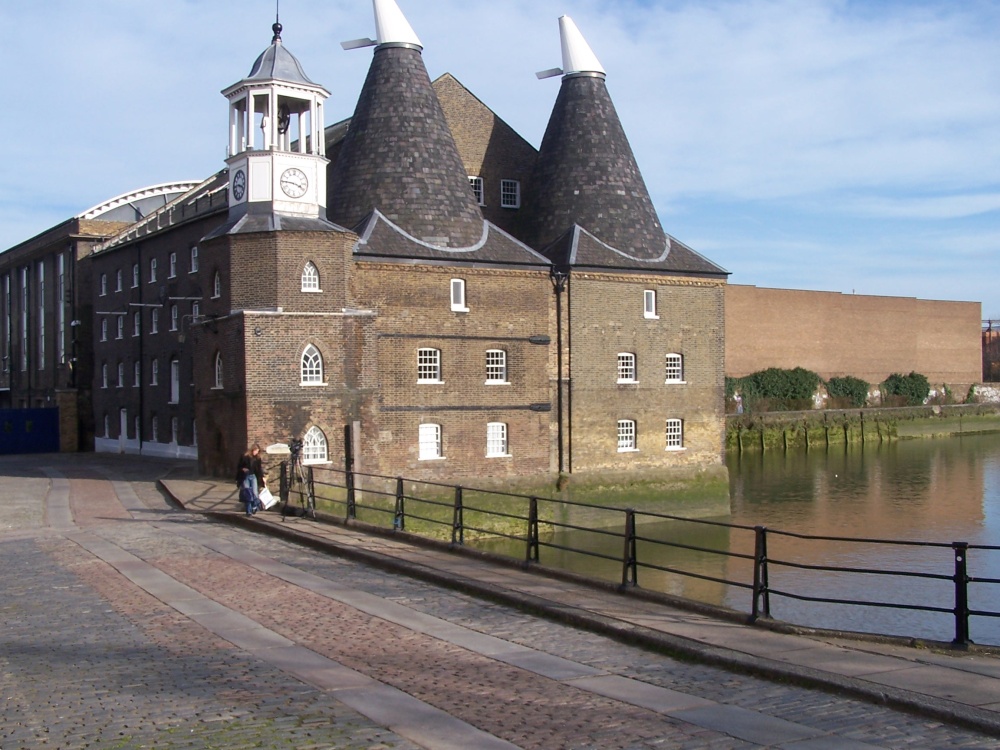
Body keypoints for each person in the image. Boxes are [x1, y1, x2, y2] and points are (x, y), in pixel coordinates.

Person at [236, 444, 265, 516]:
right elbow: (239, 466)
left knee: (255, 493)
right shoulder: (245, 457)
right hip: (245, 476)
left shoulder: (257, 458)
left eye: (257, 451)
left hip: (253, 476)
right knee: (248, 494)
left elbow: (259, 469)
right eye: (255, 451)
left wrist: (262, 478)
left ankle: (254, 506)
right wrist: (243, 469)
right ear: (252, 450)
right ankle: (248, 511)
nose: (256, 453)